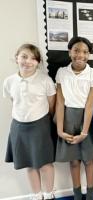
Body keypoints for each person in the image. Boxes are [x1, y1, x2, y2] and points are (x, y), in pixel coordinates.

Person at [3, 44, 56, 200]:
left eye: (33, 58)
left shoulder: (45, 80)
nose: (28, 61)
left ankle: (49, 193)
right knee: (30, 164)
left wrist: (45, 123)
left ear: (38, 62)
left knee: (45, 163)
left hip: (41, 125)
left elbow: (51, 105)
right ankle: (36, 195)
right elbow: (14, 102)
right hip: (19, 126)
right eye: (24, 56)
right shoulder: (9, 81)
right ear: (17, 57)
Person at [55, 36, 93, 200]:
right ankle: (76, 195)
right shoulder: (61, 72)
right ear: (70, 52)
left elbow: (90, 105)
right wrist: (60, 130)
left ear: (89, 55)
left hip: (86, 120)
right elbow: (60, 102)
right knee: (74, 161)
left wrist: (84, 132)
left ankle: (89, 194)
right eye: (76, 50)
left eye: (85, 52)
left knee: (88, 160)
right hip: (68, 119)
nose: (80, 55)